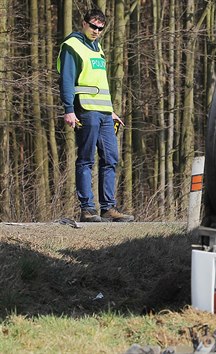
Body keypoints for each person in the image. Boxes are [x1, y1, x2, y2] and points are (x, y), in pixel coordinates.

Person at [57, 8, 134, 222]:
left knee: (111, 158)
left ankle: (108, 208)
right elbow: (66, 80)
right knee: (86, 159)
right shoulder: (72, 46)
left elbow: (101, 84)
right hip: (85, 110)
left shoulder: (97, 48)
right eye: (93, 26)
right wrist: (68, 109)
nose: (96, 31)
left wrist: (111, 112)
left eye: (100, 28)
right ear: (83, 24)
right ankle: (87, 209)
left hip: (103, 113)